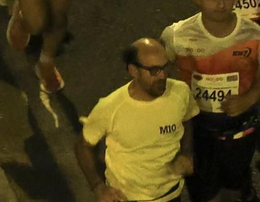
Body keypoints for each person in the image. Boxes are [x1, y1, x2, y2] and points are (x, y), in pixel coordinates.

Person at [162, 0, 260, 202]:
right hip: (195, 130)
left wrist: (248, 98)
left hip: (239, 127)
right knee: (206, 195)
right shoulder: (177, 35)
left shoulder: (253, 34)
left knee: (233, 191)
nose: (220, 4)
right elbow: (158, 72)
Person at [76, 38, 197, 202]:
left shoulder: (180, 92)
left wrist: (187, 152)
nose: (163, 75)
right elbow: (83, 146)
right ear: (134, 70)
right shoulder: (110, 107)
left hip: (171, 194)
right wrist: (98, 187)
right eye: (154, 70)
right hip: (126, 198)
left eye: (165, 67)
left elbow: (187, 118)